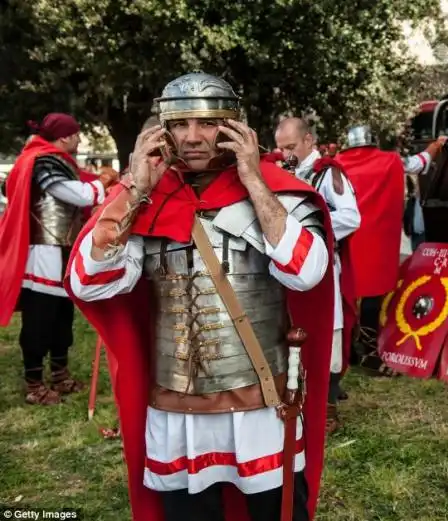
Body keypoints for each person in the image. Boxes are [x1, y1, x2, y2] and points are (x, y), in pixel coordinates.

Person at [65, 73, 335, 521]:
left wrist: (253, 180)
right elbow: (87, 282)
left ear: (232, 127)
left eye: (207, 124)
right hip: (175, 408)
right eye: (181, 123)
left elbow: (307, 274)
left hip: (260, 405)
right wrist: (133, 189)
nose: (192, 137)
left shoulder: (277, 192)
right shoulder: (146, 198)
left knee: (277, 511)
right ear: (164, 130)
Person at [0, 112, 117, 405]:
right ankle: (34, 383)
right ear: (65, 136)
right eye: (76, 134)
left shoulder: (53, 160)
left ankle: (60, 376)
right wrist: (103, 181)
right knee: (41, 315)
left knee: (62, 314)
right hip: (43, 251)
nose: (78, 139)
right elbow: (77, 195)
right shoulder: (42, 161)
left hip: (62, 247)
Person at [275, 117, 360, 434]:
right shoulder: (289, 172)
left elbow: (351, 217)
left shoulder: (329, 173)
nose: (286, 154)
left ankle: (328, 408)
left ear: (309, 140)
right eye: (281, 148)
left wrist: (307, 234)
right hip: (290, 266)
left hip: (321, 264)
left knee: (329, 330)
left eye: (291, 147)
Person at [335, 125, 405, 375]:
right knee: (372, 296)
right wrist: (434, 148)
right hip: (376, 240)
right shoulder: (390, 161)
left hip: (346, 239)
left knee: (346, 296)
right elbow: (418, 163)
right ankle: (368, 353)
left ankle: (350, 352)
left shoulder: (336, 164)